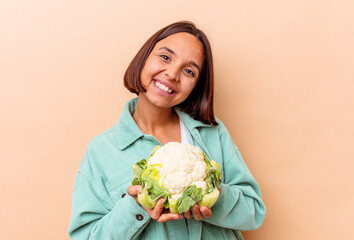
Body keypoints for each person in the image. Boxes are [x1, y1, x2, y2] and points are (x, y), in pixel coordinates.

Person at [68, 21, 266, 239]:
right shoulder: (101, 151)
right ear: (143, 58)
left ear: (196, 86)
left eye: (189, 71)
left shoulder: (211, 132)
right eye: (165, 57)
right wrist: (136, 206)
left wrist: (207, 194)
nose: (172, 74)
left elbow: (253, 212)